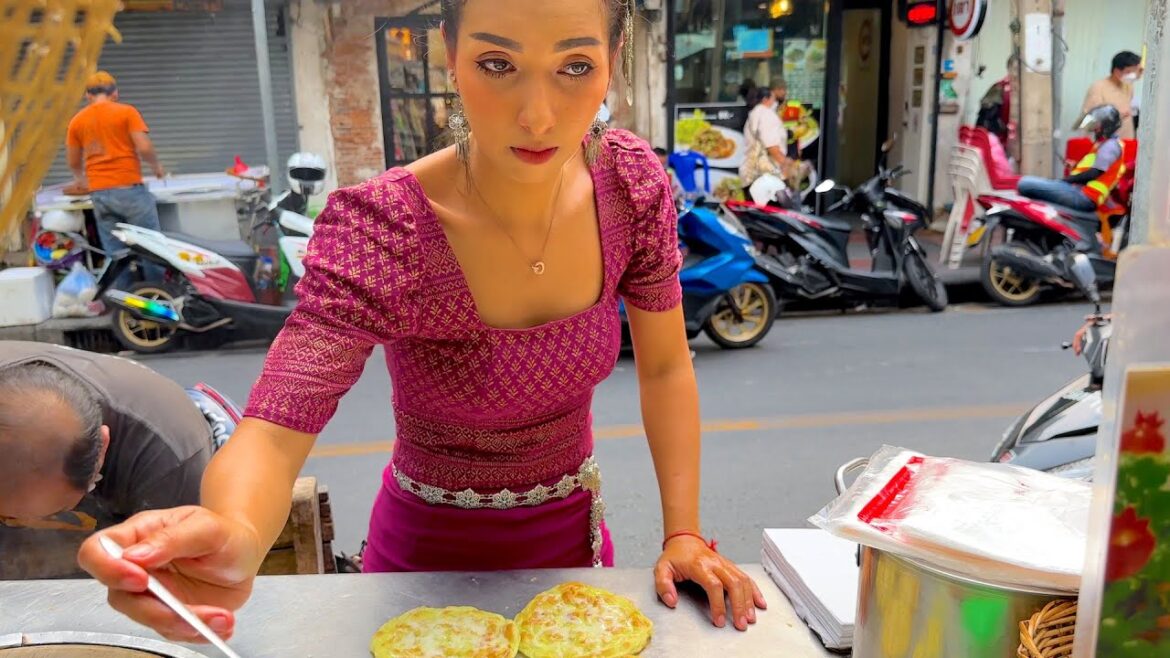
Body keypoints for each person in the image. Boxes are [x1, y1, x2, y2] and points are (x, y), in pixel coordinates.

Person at [80, 0, 766, 644]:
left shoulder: (630, 187)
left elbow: (669, 368)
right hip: (420, 582)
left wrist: (684, 534)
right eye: (498, 65)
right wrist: (231, 531)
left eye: (575, 67)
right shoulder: (385, 228)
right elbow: (277, 423)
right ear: (450, 52)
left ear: (614, 56)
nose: (537, 116)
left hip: (576, 568)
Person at [0, 342, 214, 580]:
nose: (21, 524)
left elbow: (176, 582)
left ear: (101, 449)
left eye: (53, 511)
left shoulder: (169, 457)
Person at [66, 70, 167, 283]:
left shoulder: (77, 121)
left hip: (101, 195)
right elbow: (144, 146)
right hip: (130, 191)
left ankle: (125, 302)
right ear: (115, 93)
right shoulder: (126, 113)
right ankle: (160, 298)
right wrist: (156, 166)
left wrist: (80, 179)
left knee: (117, 255)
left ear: (88, 96)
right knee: (151, 248)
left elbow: (74, 161)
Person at [1017, 105, 1130, 212]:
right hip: (1081, 192)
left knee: (1024, 183)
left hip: (1085, 196)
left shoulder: (1110, 145)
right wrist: (1075, 166)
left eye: (1097, 125)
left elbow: (1095, 173)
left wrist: (1065, 181)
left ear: (1106, 126)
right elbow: (1095, 169)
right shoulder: (1105, 145)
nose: (1094, 129)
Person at [1080, 51, 1142, 140]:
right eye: (1129, 72)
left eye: (1134, 72)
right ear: (1117, 71)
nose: (1133, 76)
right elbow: (1090, 119)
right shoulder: (1098, 88)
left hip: (1126, 139)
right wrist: (1117, 116)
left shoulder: (1128, 86)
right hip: (1105, 143)